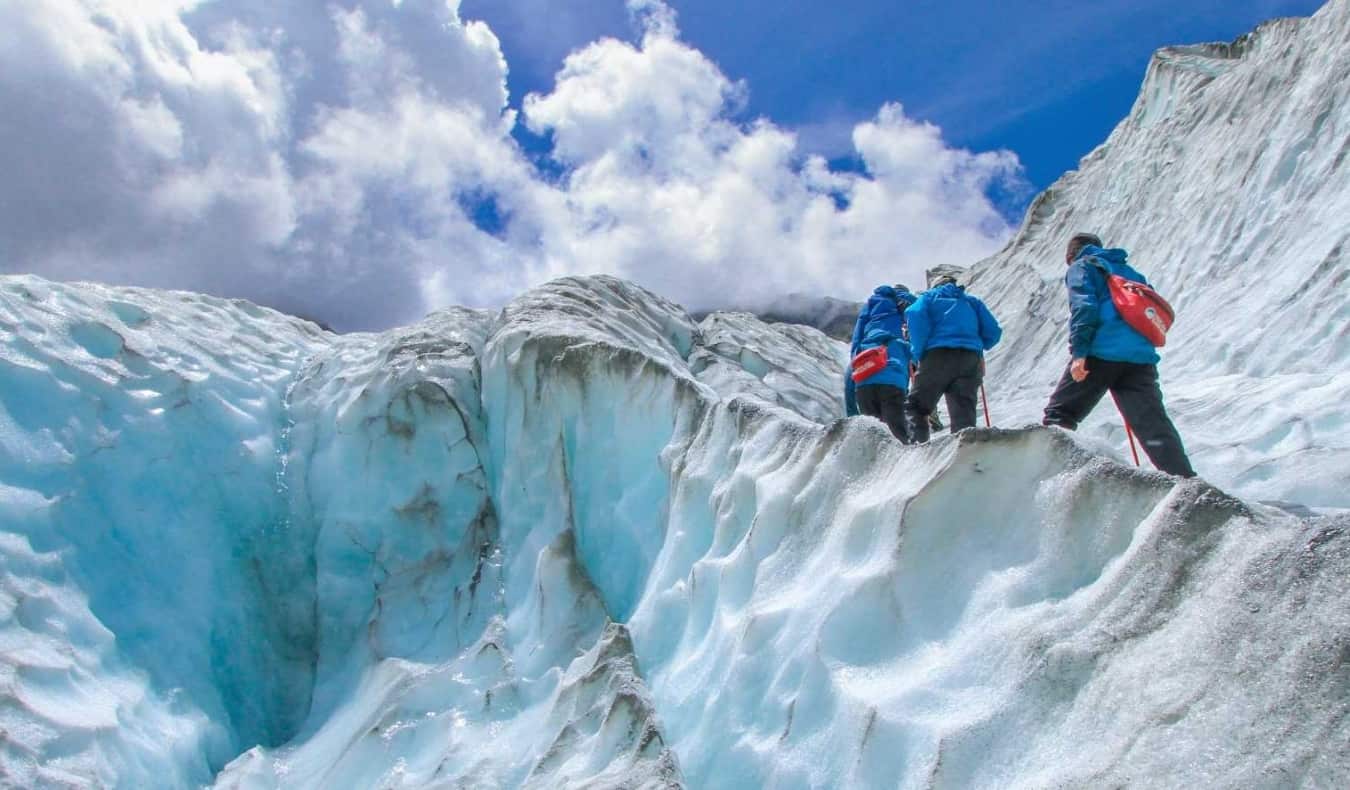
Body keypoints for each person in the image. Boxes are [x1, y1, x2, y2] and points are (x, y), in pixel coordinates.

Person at [1042, 233, 1195, 477]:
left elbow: (1084, 307)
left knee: (1060, 414)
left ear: (1070, 256)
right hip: (1140, 359)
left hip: (1101, 353)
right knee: (1153, 426)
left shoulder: (1081, 267)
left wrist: (1080, 353)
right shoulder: (1130, 272)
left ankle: (1049, 475)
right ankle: (1186, 481)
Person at [904, 276, 1002, 442]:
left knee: (916, 407)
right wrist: (979, 344)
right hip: (971, 359)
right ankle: (964, 456)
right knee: (964, 416)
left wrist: (917, 353)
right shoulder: (971, 302)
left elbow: (914, 314)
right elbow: (993, 332)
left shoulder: (928, 298)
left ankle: (918, 453)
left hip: (938, 356)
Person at [846, 284, 917, 441]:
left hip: (864, 382)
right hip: (894, 382)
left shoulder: (871, 305)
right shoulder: (909, 304)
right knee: (898, 435)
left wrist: (851, 415)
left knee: (874, 438)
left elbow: (857, 336)